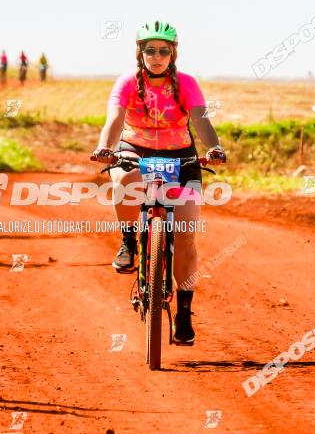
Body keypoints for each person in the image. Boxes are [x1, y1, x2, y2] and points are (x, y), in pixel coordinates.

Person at [92, 20, 226, 346]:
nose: (156, 56)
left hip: (182, 156)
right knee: (122, 180)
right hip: (134, 149)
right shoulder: (126, 82)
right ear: (140, 52)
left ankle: (183, 312)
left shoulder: (187, 83)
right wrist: (105, 148)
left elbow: (201, 120)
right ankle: (128, 242)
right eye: (149, 50)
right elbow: (114, 119)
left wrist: (214, 148)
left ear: (173, 54)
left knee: (186, 237)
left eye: (163, 50)